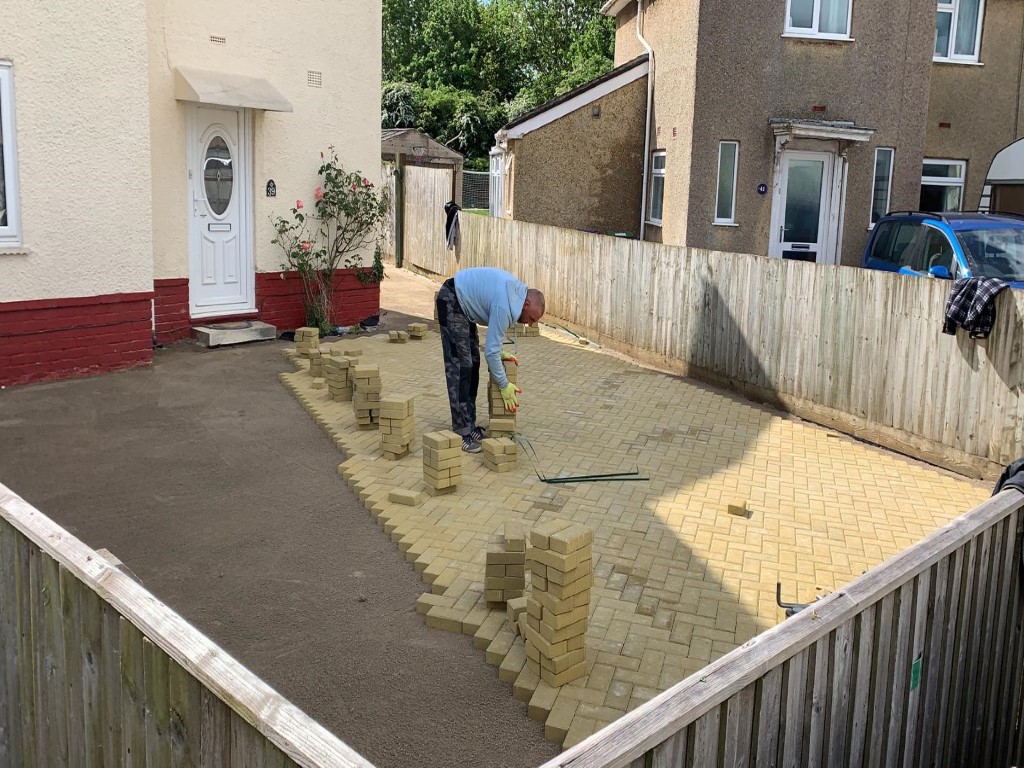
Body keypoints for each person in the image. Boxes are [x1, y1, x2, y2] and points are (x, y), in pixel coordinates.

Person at [435, 267, 545, 453]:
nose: (530, 323)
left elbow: (493, 345)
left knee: (473, 363)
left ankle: (469, 425)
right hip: (452, 300)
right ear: (526, 303)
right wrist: (504, 385)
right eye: (532, 318)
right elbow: (490, 353)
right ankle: (462, 433)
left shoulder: (513, 296)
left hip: (463, 306)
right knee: (462, 368)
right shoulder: (505, 305)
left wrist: (498, 351)